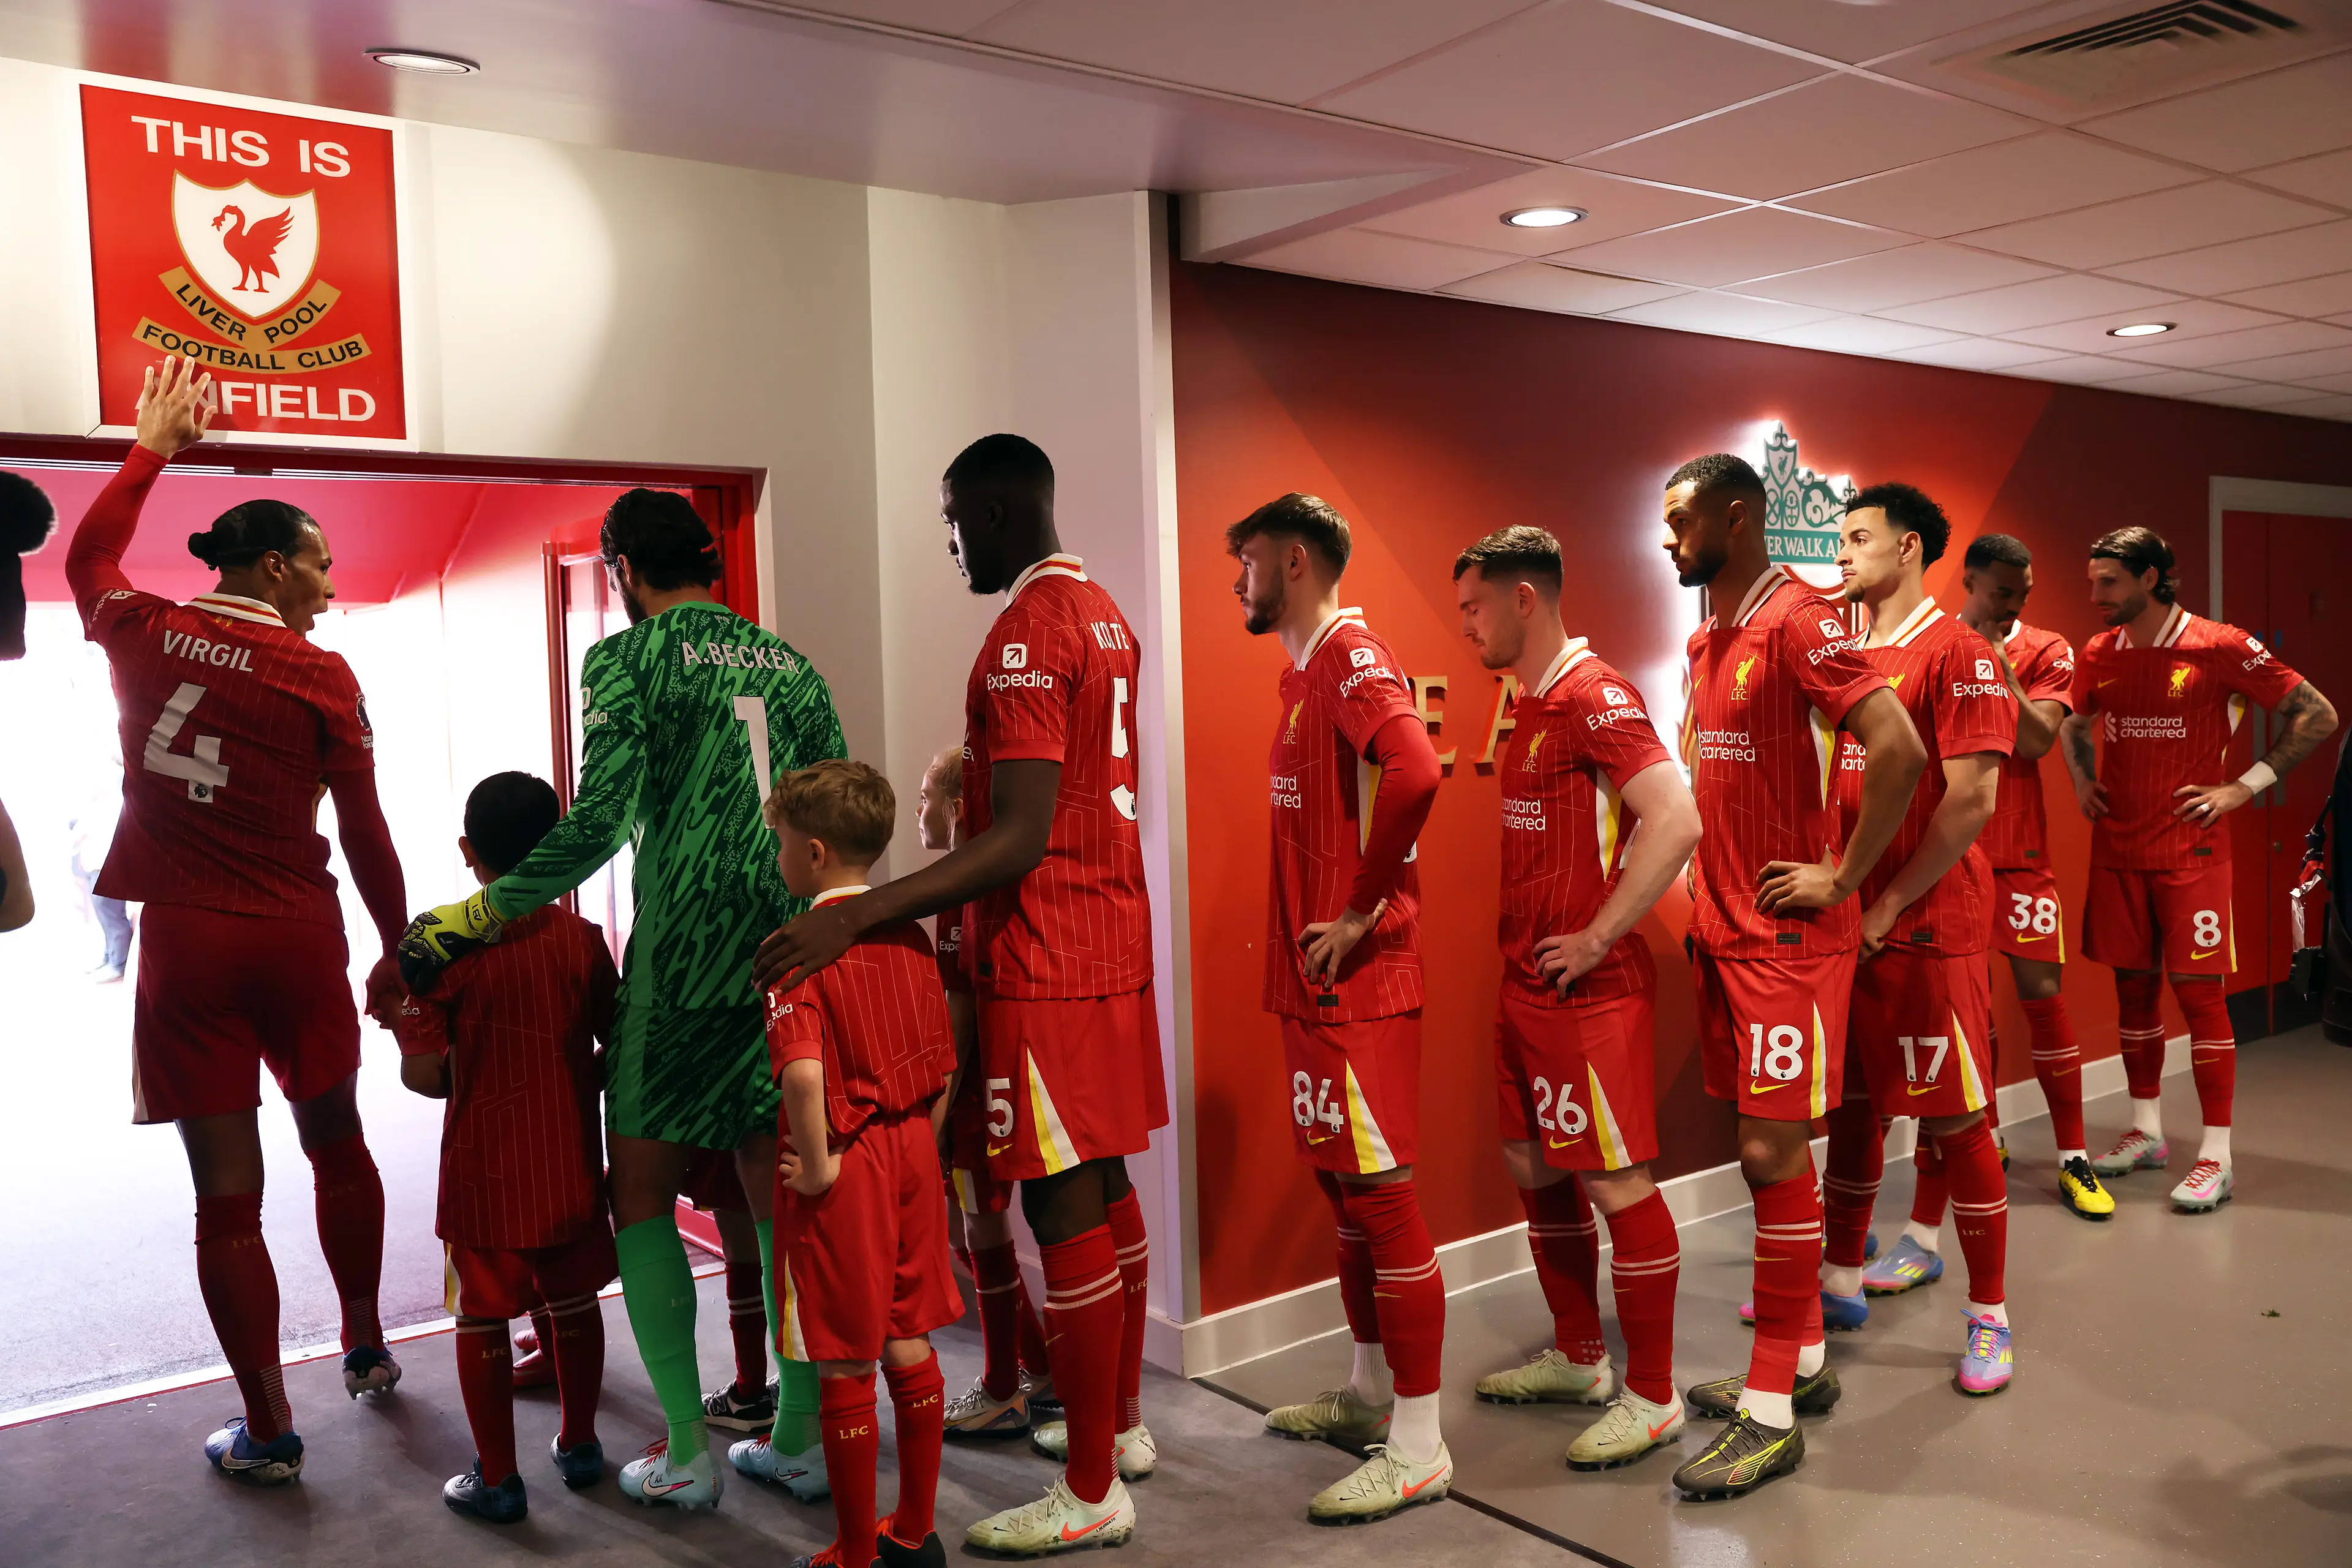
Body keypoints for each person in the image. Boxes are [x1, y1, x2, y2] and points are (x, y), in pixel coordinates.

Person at [399, 486, 846, 1509]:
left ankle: (687, 1450)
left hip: (681, 966)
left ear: (623, 574)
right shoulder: (796, 669)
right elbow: (835, 818)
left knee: (640, 1191)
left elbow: (598, 820)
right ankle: (802, 1437)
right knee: (781, 1196)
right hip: (784, 958)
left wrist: (478, 915)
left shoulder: (626, 658)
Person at [755, 434, 1162, 1556]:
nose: (948, 544)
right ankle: (1117, 1429)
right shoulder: (1107, 613)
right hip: (1111, 943)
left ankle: (1090, 1489)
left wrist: (861, 910)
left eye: (950, 520)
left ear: (991, 511)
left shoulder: (1029, 629)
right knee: (1108, 1187)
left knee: (1059, 1205)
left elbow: (1022, 834)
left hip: (1047, 959)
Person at [64, 356, 410, 1485]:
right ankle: (365, 1343)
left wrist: (154, 444)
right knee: (336, 1140)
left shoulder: (139, 627)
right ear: (272, 565)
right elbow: (365, 838)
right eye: (318, 561)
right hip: (296, 936)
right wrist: (399, 953)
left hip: (188, 945)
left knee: (228, 1201)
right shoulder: (323, 676)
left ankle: (267, 1432)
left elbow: (87, 557)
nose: (326, 580)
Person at [1660, 454, 1924, 1501]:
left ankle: (1771, 1414)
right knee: (1763, 1152)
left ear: (1739, 515)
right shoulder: (1708, 636)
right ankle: (1803, 1365)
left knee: (1773, 1148)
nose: (1669, 538)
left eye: (1682, 520)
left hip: (1785, 942)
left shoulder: (1803, 621)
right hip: (1722, 936)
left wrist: (1844, 877)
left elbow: (1898, 747)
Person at [1455, 526, 1702, 1471]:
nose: (1467, 626)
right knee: (1531, 1162)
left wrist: (1599, 936)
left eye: (1476, 607)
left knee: (1614, 1181)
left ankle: (1653, 1395)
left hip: (1589, 993)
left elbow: (1676, 819)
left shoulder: (1598, 696)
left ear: (1526, 597)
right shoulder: (1531, 703)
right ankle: (1581, 1355)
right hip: (1525, 987)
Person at [1226, 492, 1452, 1522]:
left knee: (1385, 1196)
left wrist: (1360, 913)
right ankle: (1369, 1396)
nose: (1241, 578)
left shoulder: (1356, 656)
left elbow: (1415, 770)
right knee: (1345, 1198)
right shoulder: (1302, 671)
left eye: (1251, 560)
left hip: (1359, 983)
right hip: (1312, 983)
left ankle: (1420, 1442)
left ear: (1299, 562)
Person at [1797, 487, 2019, 1395]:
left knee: (1957, 1122)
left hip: (1929, 930)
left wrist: (1886, 903)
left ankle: (1991, 1318)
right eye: (1839, 539)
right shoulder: (1841, 649)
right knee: (1851, 1110)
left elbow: (1971, 800)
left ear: (1911, 546)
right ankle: (1840, 1282)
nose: (1843, 554)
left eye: (1859, 538)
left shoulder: (1959, 652)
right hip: (1848, 925)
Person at [2064, 527, 2337, 1210]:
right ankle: (2147, 1130)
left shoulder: (2218, 645)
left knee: (2199, 998)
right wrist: (2083, 782)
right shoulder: (2101, 652)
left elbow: (2317, 713)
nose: (2095, 594)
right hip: (2119, 852)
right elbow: (2073, 722)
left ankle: (2217, 1155)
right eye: (2093, 580)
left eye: (2109, 582)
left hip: (2192, 854)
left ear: (2152, 578)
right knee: (2133, 994)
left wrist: (2243, 787)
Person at [388, 772, 620, 1524]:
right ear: (556, 850)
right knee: (578, 1302)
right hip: (570, 1167)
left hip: (485, 1176)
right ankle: (580, 1444)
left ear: (468, 852)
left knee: (480, 1318)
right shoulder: (582, 942)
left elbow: (424, 1077)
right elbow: (616, 1041)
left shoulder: (439, 946)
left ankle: (498, 1478)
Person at [763, 760, 963, 1568]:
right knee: (906, 1337)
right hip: (915, 1146)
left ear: (812, 855)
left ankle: (853, 1553)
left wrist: (815, 1168)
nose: (776, 855)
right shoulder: (908, 935)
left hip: (845, 1160)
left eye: (779, 842)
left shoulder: (795, 952)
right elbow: (942, 1065)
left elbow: (804, 1073)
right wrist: (921, 1138)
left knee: (845, 1355)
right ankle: (915, 1530)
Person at [919, 743, 1060, 1442]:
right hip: (1002, 1083)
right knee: (991, 1231)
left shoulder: (957, 890)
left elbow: (958, 1021)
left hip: (976, 1097)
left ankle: (1005, 1383)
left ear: (957, 806)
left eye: (926, 797)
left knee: (985, 1232)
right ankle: (1041, 1364)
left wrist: (935, 1120)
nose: (921, 809)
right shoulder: (989, 879)